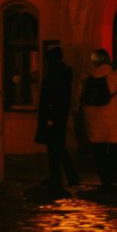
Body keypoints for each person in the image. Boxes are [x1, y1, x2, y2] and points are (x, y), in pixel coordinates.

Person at [36, 45, 79, 192]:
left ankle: (64, 176)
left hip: (53, 115)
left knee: (56, 147)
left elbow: (54, 97)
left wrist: (50, 115)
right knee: (56, 146)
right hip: (56, 115)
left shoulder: (56, 74)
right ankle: (61, 176)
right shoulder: (61, 73)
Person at [79, 47, 117, 188]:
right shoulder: (114, 77)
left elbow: (79, 98)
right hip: (113, 123)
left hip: (92, 121)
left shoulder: (87, 79)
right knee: (113, 152)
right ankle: (112, 176)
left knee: (99, 153)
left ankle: (105, 180)